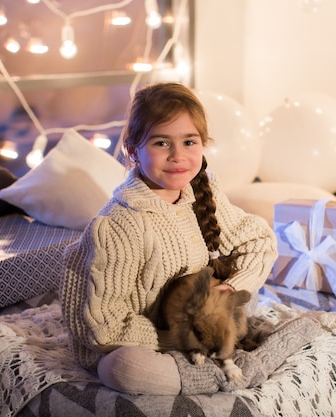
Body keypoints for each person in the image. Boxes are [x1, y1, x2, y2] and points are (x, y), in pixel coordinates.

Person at [59, 82, 278, 395]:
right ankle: (210, 373)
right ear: (133, 151)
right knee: (127, 369)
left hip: (196, 317)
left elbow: (258, 242)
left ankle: (213, 354)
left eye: (189, 142)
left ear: (204, 144)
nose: (178, 156)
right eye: (162, 143)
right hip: (135, 337)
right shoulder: (120, 225)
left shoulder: (202, 191)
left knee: (250, 294)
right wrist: (185, 335)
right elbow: (104, 328)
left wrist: (230, 291)